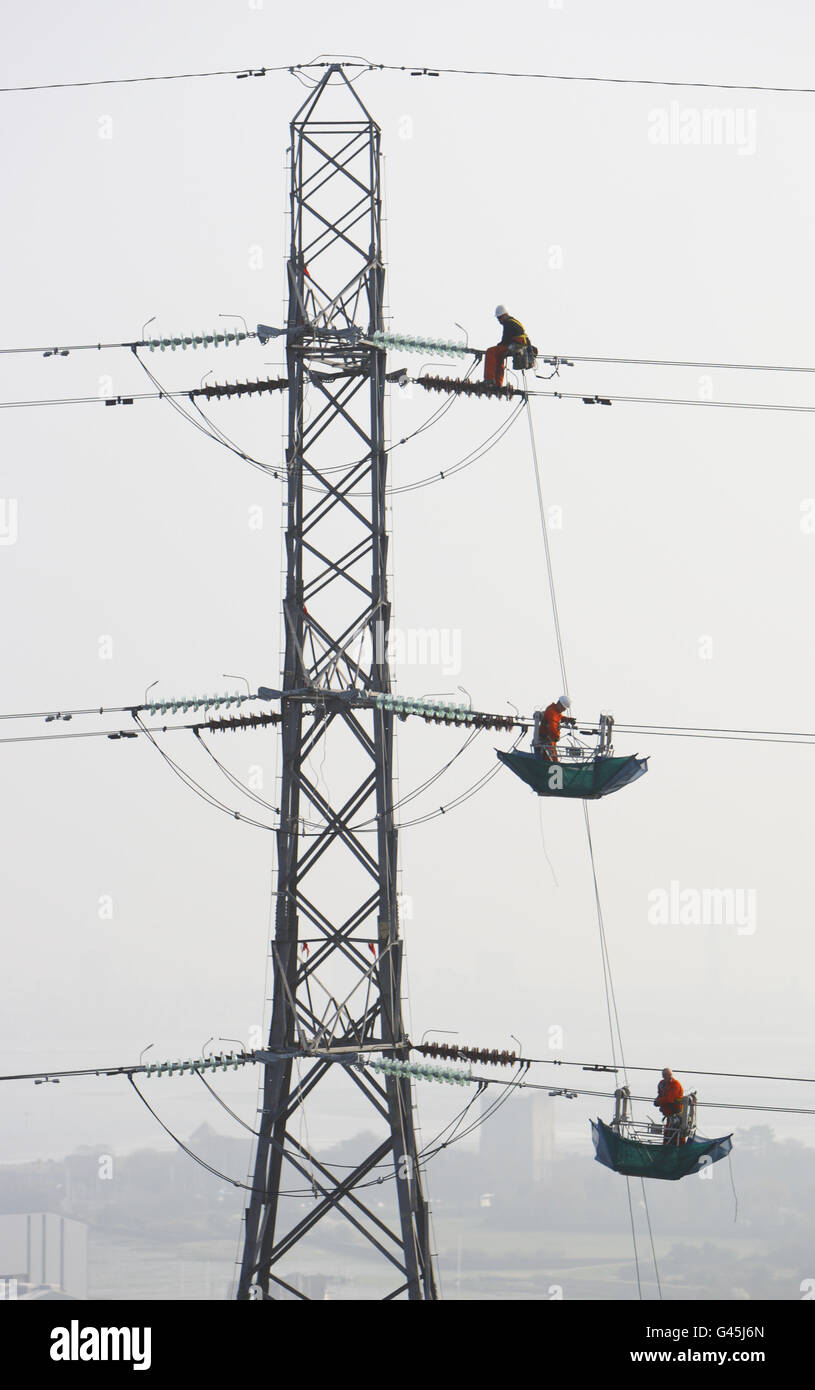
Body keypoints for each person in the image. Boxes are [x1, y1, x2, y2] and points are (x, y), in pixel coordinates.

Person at [484, 305, 530, 386]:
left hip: (515, 345)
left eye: (499, 318)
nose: (499, 321)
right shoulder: (514, 321)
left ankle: (489, 379)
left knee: (490, 351)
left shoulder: (508, 323)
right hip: (518, 345)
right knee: (499, 356)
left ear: (504, 315)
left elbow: (506, 339)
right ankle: (498, 383)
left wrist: (499, 346)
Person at [532, 695, 571, 761]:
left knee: (553, 760)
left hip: (548, 741)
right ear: (560, 704)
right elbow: (552, 727)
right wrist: (556, 737)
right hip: (545, 741)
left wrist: (567, 719)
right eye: (564, 708)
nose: (564, 710)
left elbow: (559, 717)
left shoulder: (555, 711)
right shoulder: (552, 713)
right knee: (552, 761)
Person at [653, 1067, 684, 1145]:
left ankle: (676, 1149)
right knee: (667, 1134)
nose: (667, 1077)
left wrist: (658, 1101)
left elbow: (670, 1099)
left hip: (676, 1114)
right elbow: (660, 1094)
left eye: (668, 1075)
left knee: (676, 1135)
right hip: (668, 1114)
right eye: (665, 1075)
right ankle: (666, 1147)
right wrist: (657, 1100)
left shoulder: (675, 1084)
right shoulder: (661, 1083)